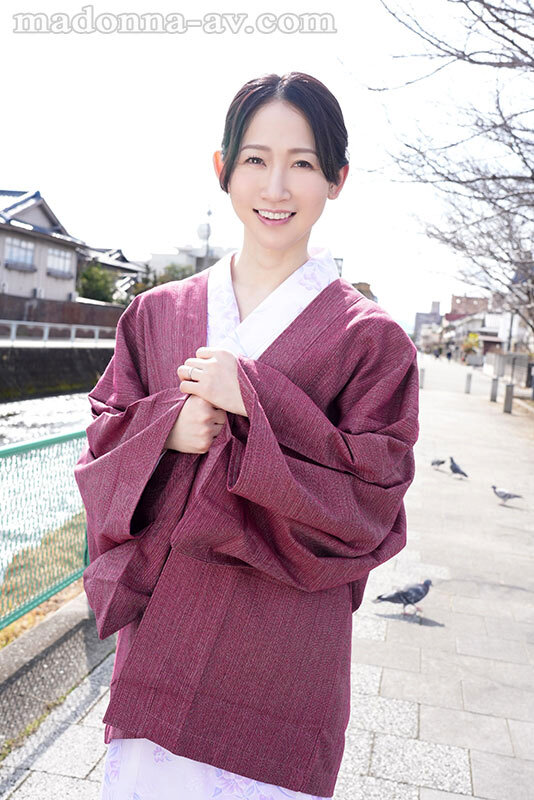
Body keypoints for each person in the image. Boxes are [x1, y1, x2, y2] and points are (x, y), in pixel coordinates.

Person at [75, 71, 419, 800]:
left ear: (338, 179)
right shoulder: (156, 313)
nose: (276, 186)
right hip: (164, 641)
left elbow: (373, 499)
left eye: (303, 163)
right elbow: (101, 444)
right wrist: (165, 431)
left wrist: (253, 399)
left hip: (285, 657)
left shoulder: (373, 340)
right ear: (223, 169)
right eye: (256, 159)